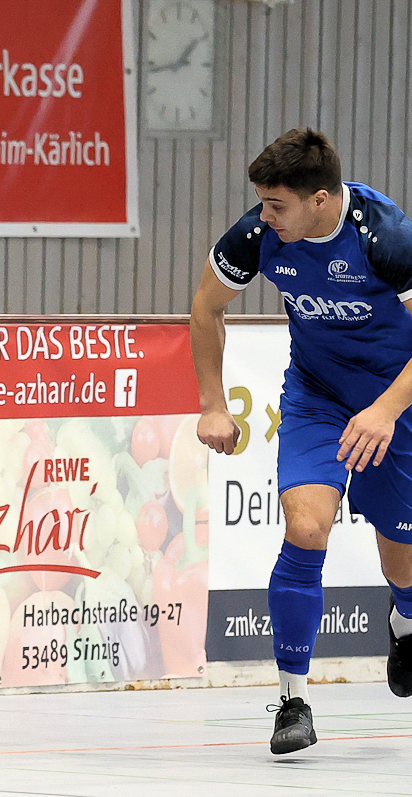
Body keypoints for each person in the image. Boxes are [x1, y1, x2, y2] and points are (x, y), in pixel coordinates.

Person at [190, 128, 412, 755]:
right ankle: (292, 700)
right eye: (262, 203)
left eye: (276, 205)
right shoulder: (259, 235)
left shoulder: (386, 236)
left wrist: (386, 410)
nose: (264, 216)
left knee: (402, 553)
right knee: (306, 527)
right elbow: (206, 307)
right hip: (317, 397)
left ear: (320, 200)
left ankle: (404, 620)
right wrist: (212, 404)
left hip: (394, 398)